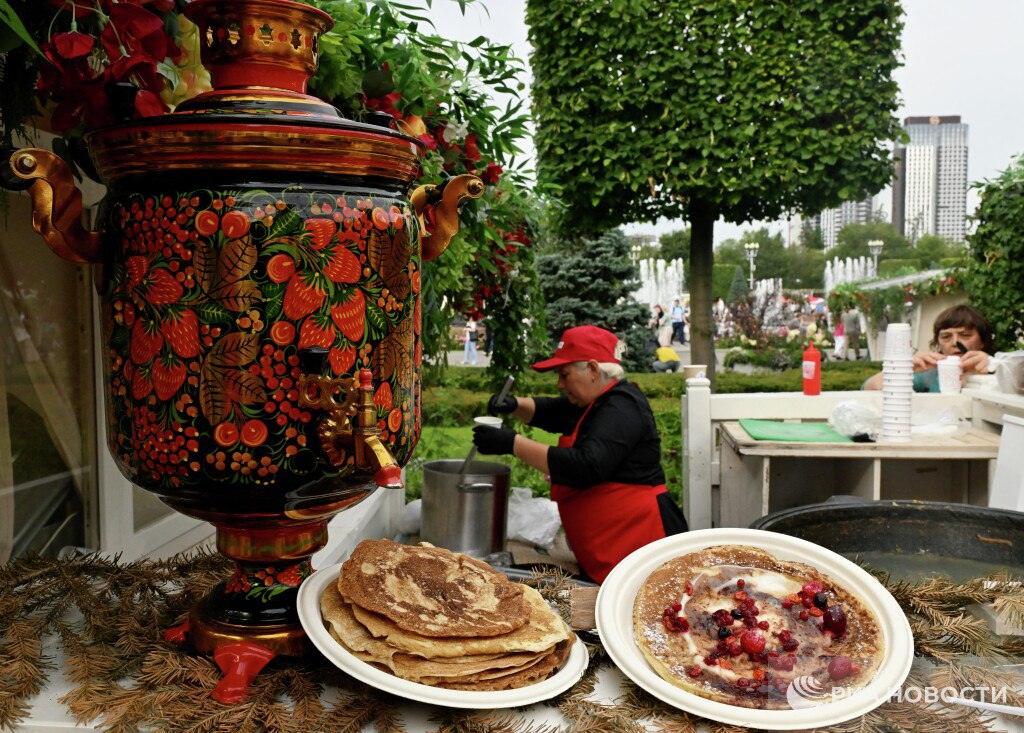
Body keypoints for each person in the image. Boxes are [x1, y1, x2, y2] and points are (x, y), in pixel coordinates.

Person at [471, 325, 688, 583]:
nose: (560, 384)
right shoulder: (595, 401)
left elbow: (586, 466)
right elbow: (554, 410)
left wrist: (512, 443)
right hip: (610, 544)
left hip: (639, 539)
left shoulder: (622, 407)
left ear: (593, 370)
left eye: (564, 374)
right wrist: (514, 405)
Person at [863, 305, 996, 392]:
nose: (955, 342)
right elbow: (869, 388)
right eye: (946, 336)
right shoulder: (931, 375)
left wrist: (993, 367)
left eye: (965, 335)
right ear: (938, 342)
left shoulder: (997, 369)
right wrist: (903, 369)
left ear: (983, 341)